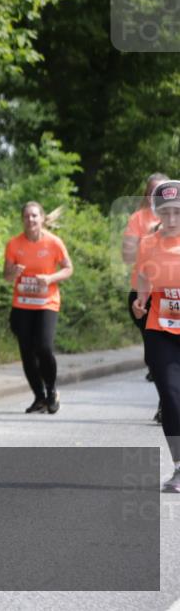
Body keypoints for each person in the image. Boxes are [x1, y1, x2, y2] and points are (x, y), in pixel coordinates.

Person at [131, 179, 180, 493]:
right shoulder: (148, 243)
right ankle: (179, 467)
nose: (172, 218)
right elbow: (142, 279)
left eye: (177, 211)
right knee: (171, 396)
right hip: (159, 328)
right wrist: (140, 300)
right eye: (166, 212)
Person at [3, 202, 73, 415]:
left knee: (43, 347)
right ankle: (39, 397)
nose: (30, 220)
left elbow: (69, 269)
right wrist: (14, 272)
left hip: (46, 303)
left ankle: (52, 391)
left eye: (34, 216)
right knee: (26, 352)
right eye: (26, 216)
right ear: (22, 219)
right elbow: (6, 276)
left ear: (42, 218)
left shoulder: (54, 242)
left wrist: (50, 278)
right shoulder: (14, 244)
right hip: (22, 304)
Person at [123, 173, 170, 423]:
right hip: (143, 293)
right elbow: (127, 257)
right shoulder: (138, 219)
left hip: (171, 293)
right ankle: (167, 398)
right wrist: (147, 240)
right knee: (153, 355)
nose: (156, 195)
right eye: (152, 191)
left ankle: (167, 404)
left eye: (161, 190)